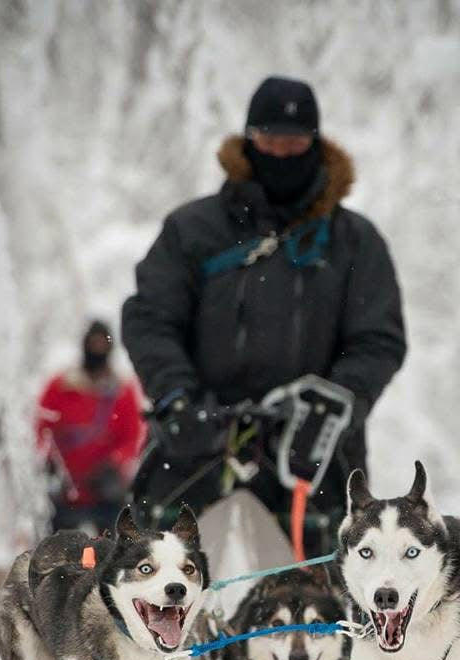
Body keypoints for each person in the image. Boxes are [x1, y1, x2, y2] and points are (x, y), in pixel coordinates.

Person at [122, 75, 406, 545]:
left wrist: (333, 405)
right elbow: (150, 319)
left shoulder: (354, 241)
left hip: (312, 458)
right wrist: (177, 398)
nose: (280, 153)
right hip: (198, 445)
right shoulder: (192, 229)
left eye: (293, 142)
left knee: (327, 605)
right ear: (248, 141)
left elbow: (378, 339)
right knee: (149, 587)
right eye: (269, 140)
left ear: (315, 144)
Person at [36, 320, 143, 534]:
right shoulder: (60, 386)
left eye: (103, 343)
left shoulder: (122, 391)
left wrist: (114, 465)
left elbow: (133, 435)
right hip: (66, 493)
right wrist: (51, 462)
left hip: (106, 493)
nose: (97, 348)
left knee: (114, 554)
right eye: (93, 342)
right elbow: (42, 427)